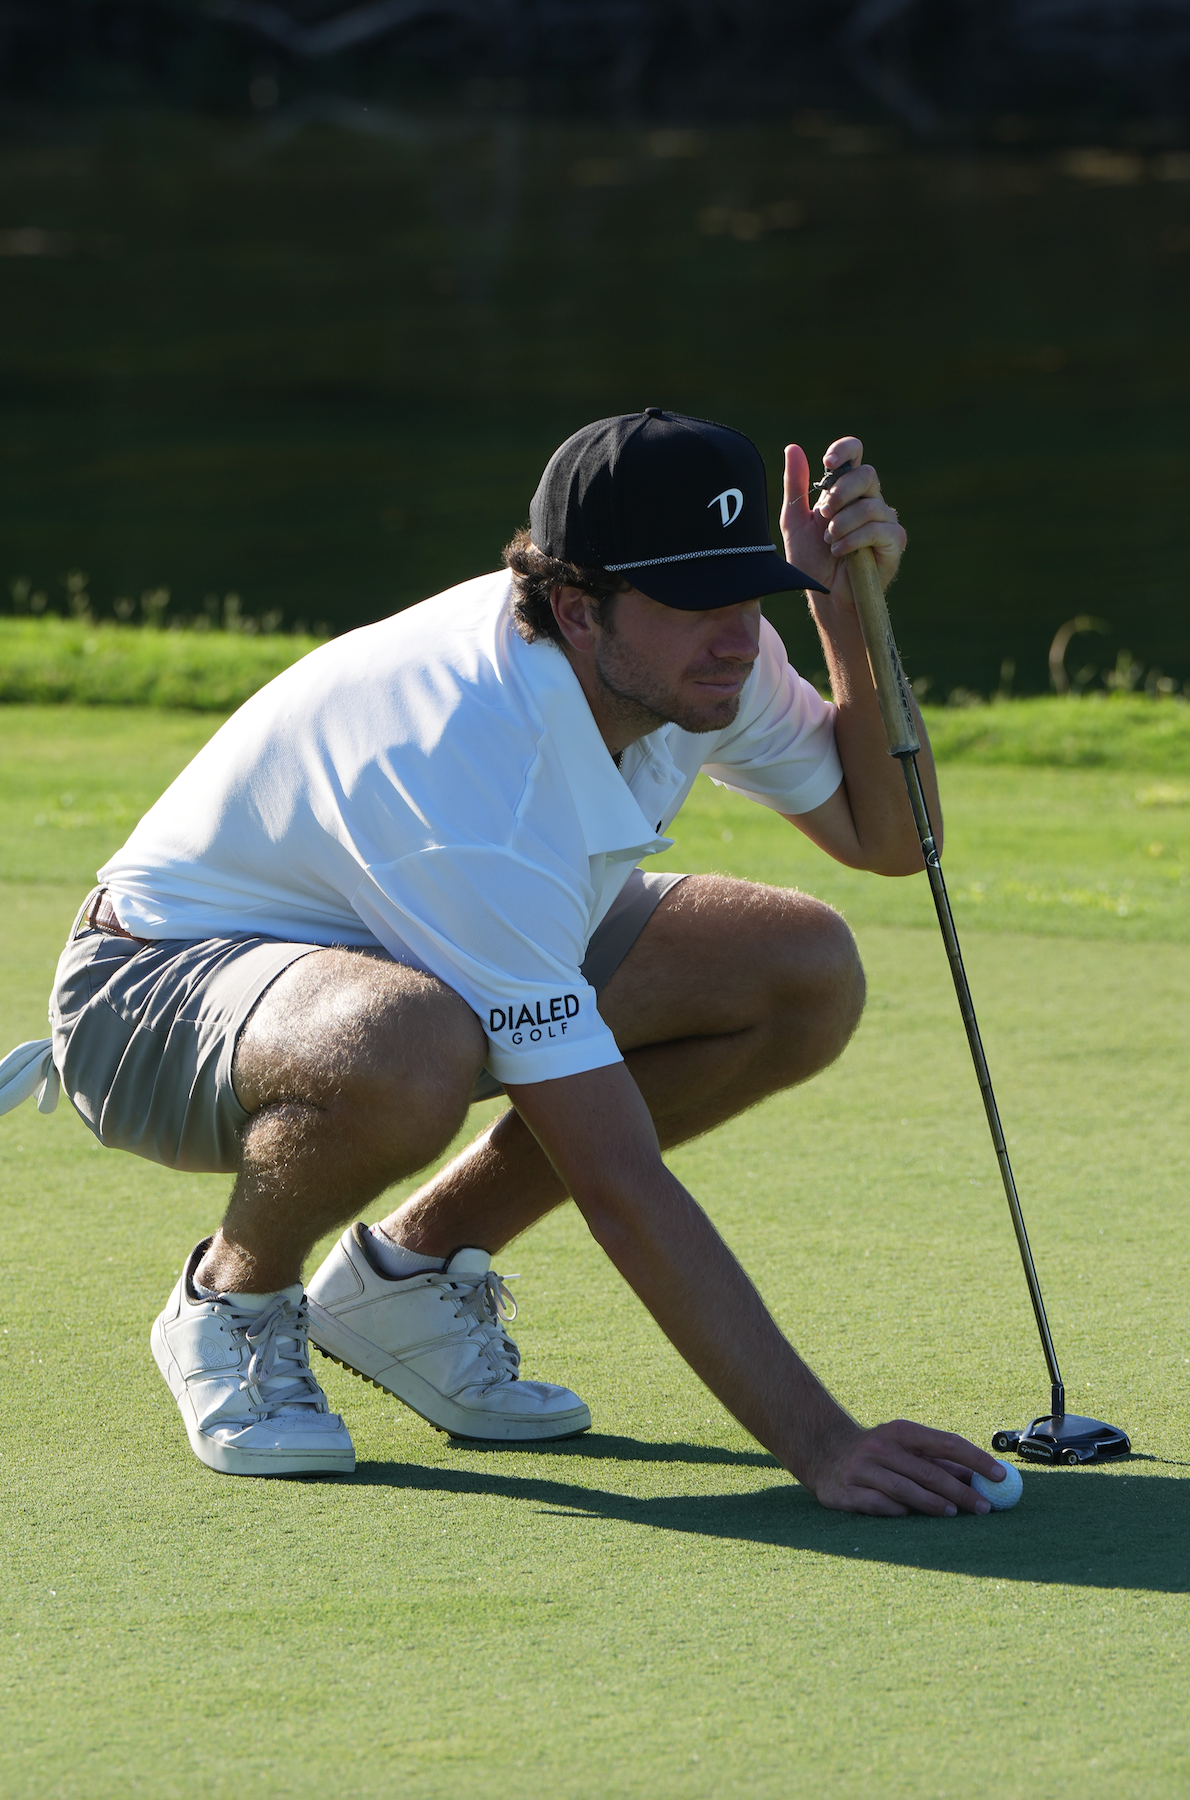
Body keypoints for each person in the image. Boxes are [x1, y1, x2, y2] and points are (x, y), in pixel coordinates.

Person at [2, 408, 1002, 1514]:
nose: (732, 634)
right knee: (408, 1042)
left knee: (796, 967)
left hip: (390, 964)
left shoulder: (705, 657)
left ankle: (404, 1280)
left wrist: (845, 612)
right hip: (149, 1000)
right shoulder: (474, 770)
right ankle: (232, 1299)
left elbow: (891, 838)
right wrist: (824, 1444)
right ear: (577, 609)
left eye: (750, 589)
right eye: (692, 601)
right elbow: (616, 1180)